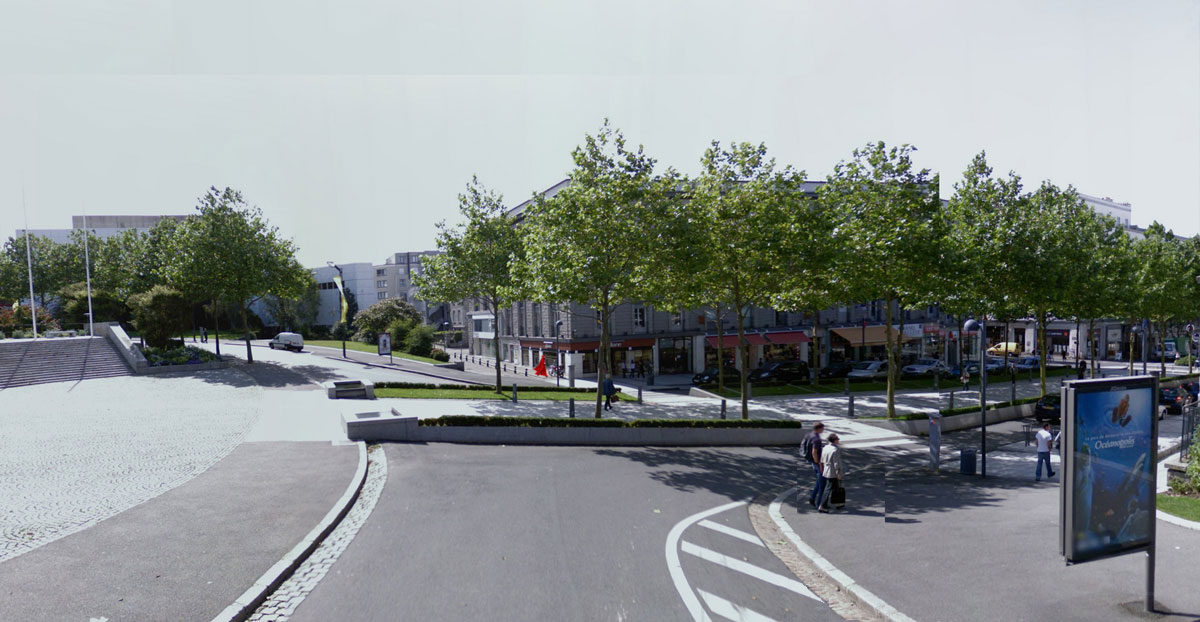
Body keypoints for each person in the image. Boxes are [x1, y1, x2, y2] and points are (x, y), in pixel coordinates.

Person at [817, 434, 844, 513]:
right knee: (828, 488)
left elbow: (821, 460)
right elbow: (836, 463)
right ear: (834, 440)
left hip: (826, 469)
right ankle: (822, 505)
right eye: (837, 439)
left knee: (836, 486)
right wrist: (838, 473)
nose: (838, 441)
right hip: (832, 471)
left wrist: (822, 469)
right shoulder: (835, 450)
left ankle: (838, 503)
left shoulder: (825, 448)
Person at [801, 422, 826, 508]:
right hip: (816, 462)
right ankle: (820, 503)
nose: (823, 430)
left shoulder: (809, 435)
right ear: (819, 429)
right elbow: (814, 452)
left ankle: (812, 498)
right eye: (822, 429)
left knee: (819, 480)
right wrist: (819, 463)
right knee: (822, 483)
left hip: (810, 461)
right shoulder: (816, 439)